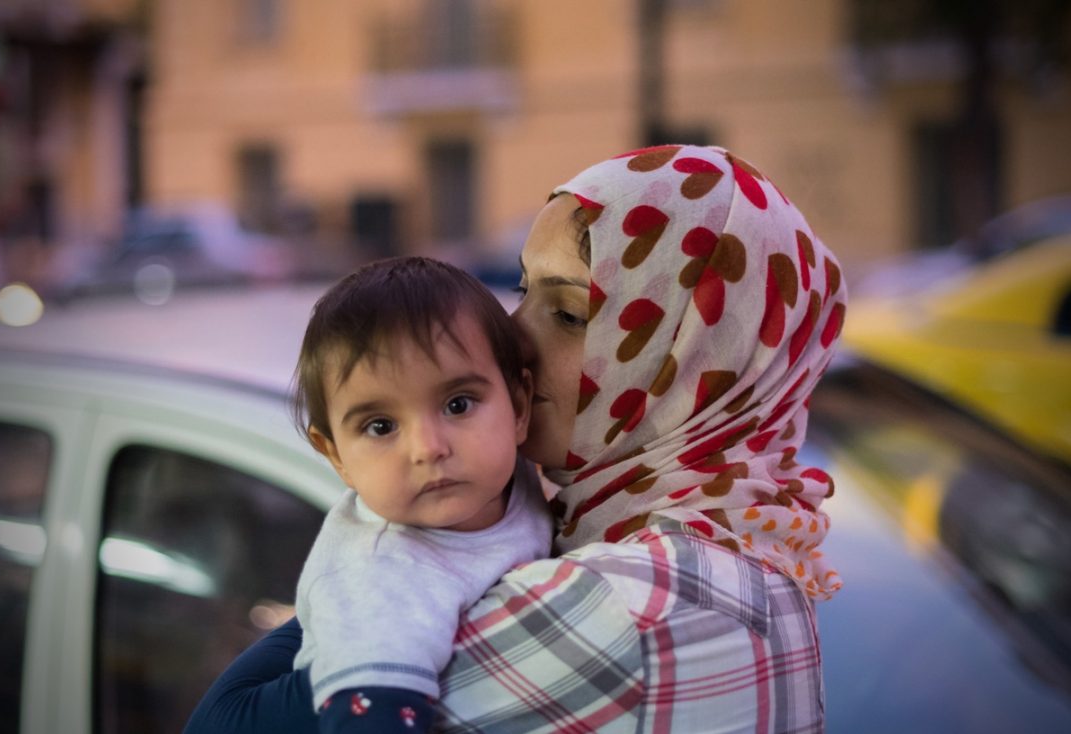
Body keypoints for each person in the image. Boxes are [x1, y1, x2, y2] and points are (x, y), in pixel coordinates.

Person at [184, 143, 847, 733]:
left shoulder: (635, 605)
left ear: (690, 356)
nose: (513, 337)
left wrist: (377, 552)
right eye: (524, 289)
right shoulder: (752, 545)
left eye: (565, 311)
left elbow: (228, 718)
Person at [290, 257, 552, 733]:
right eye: (381, 426)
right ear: (335, 456)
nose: (429, 449)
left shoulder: (527, 477)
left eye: (458, 404)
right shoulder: (379, 579)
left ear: (518, 406)